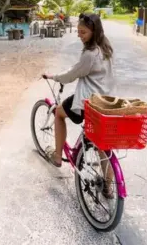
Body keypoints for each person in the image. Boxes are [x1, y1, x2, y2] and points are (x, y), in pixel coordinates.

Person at [42, 13, 115, 197]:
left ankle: (58, 157)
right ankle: (109, 187)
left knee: (59, 113)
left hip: (88, 102)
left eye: (83, 32)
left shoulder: (90, 54)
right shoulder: (106, 48)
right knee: (102, 145)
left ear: (93, 31)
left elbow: (73, 74)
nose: (79, 35)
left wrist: (55, 77)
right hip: (105, 101)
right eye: (78, 31)